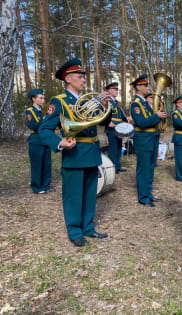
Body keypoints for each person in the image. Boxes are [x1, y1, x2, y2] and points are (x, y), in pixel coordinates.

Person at [38, 58, 109, 246]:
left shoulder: (89, 100)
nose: (84, 80)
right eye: (80, 77)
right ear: (68, 79)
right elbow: (44, 129)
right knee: (73, 195)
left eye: (84, 77)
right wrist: (60, 142)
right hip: (75, 152)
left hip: (92, 152)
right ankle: (75, 230)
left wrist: (103, 106)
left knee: (89, 193)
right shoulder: (59, 101)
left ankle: (88, 227)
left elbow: (101, 121)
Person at [130, 74, 166, 207]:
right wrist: (156, 116)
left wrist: (160, 109)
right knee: (143, 169)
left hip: (152, 138)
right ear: (138, 87)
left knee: (150, 168)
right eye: (145, 85)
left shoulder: (145, 104)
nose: (147, 87)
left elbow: (152, 118)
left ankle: (149, 194)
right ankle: (143, 196)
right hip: (143, 139)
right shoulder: (136, 104)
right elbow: (142, 123)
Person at [25, 89, 52, 194]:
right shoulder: (29, 111)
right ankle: (36, 187)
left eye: (43, 98)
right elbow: (35, 126)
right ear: (33, 99)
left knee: (47, 164)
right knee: (37, 165)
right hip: (36, 141)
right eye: (40, 98)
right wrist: (46, 117)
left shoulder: (42, 111)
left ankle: (46, 185)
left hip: (45, 140)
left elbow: (48, 126)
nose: (43, 100)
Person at [104, 82, 128, 173]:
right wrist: (107, 123)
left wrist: (126, 119)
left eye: (117, 89)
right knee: (113, 149)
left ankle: (117, 166)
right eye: (115, 89)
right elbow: (103, 114)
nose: (117, 91)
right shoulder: (107, 101)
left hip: (119, 128)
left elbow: (121, 115)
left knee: (118, 147)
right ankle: (112, 167)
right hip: (111, 129)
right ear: (109, 90)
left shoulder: (116, 103)